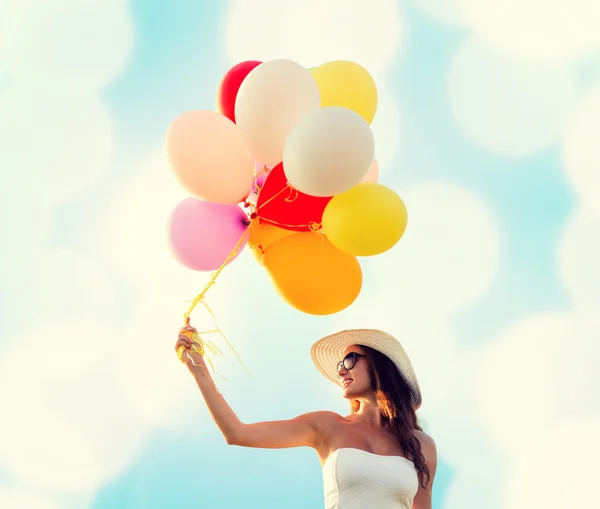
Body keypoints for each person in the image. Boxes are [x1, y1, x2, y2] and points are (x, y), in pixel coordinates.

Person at [175, 327, 437, 509]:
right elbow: (237, 433)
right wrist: (197, 367)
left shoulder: (420, 444)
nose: (341, 371)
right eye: (339, 366)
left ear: (379, 364)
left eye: (349, 360)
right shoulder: (327, 425)